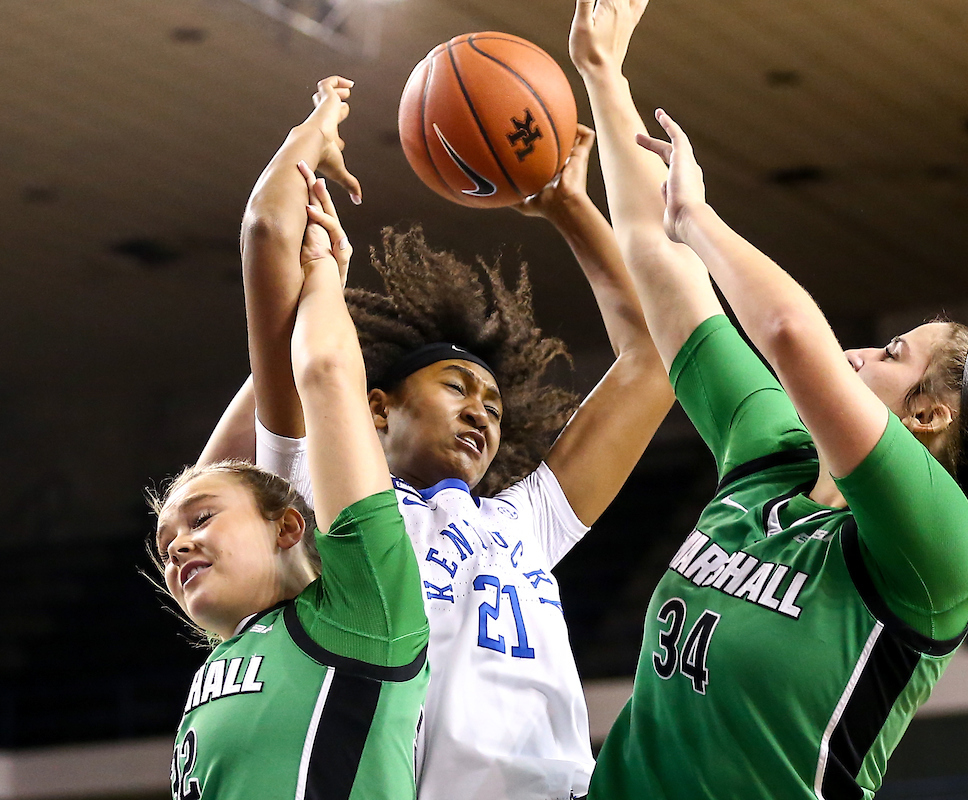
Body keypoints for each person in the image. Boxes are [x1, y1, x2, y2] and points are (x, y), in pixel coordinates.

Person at [568, 2, 968, 798]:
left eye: (894, 354)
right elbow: (659, 264)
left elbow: (791, 333)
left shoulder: (936, 548)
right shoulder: (772, 457)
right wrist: (603, 75)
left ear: (928, 417)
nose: (859, 354)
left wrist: (698, 215)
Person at [203, 76, 674, 800]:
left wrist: (569, 207)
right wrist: (312, 136)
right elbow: (267, 234)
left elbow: (654, 358)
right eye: (458, 387)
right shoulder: (316, 506)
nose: (484, 412)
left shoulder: (523, 519)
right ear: (378, 409)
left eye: (493, 402)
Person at [150, 166, 429, 798]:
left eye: (199, 523)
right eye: (170, 542)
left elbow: (326, 370)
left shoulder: (361, 605)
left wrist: (326, 275)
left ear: (289, 526)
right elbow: (212, 480)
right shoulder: (236, 649)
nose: (175, 548)